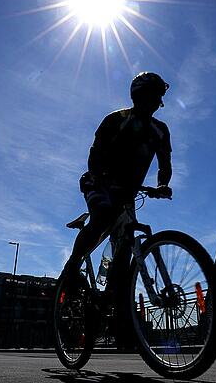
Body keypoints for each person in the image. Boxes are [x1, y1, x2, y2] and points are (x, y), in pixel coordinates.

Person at [61, 71, 173, 281]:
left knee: (125, 243)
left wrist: (162, 185)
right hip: (97, 182)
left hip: (127, 194)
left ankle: (116, 295)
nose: (158, 101)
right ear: (139, 95)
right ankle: (72, 267)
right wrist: (99, 176)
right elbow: (94, 154)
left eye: (160, 96)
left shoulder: (160, 130)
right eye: (153, 95)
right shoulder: (116, 120)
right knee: (102, 216)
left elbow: (164, 164)